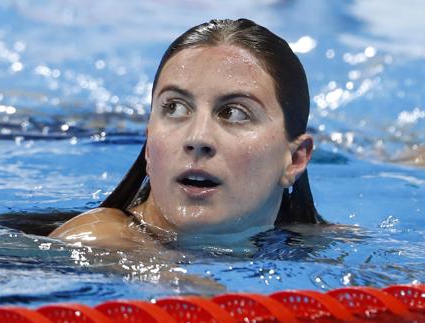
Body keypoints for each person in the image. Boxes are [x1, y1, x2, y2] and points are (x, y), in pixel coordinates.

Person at [49, 18, 325, 249]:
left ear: (296, 159)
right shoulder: (92, 242)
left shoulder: (324, 249)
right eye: (175, 107)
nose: (197, 139)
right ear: (148, 142)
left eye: (234, 113)